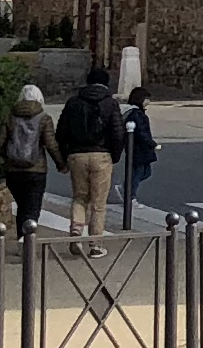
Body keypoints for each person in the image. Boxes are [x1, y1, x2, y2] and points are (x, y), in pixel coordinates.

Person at [57, 67, 124, 233]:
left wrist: (64, 157)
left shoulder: (73, 102)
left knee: (79, 197)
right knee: (98, 204)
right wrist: (115, 155)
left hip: (77, 154)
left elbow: (61, 132)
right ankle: (95, 242)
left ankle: (76, 228)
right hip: (102, 154)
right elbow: (117, 133)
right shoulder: (110, 103)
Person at [0, 84, 51, 236]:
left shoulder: (10, 117)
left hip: (13, 170)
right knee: (33, 206)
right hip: (36, 169)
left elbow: (0, 142)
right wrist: (61, 163)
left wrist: (3, 159)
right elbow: (51, 144)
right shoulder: (44, 118)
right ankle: (27, 239)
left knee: (22, 205)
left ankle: (22, 236)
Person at [120, 86, 160, 229]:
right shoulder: (136, 114)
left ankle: (127, 190)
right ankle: (129, 195)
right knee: (137, 173)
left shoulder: (137, 113)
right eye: (146, 99)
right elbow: (141, 132)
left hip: (140, 149)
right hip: (138, 149)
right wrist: (151, 143)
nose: (148, 102)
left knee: (145, 172)